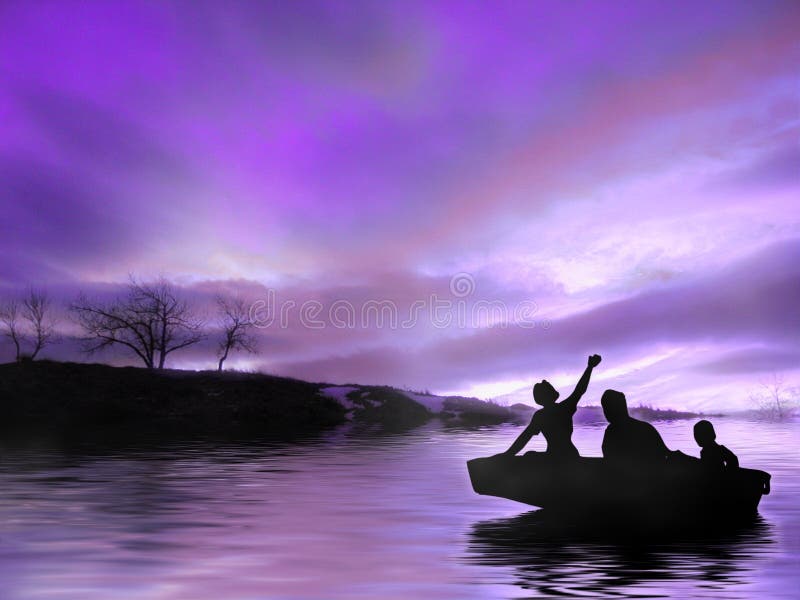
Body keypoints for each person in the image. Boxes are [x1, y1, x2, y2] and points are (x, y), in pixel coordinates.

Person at [504, 354, 602, 459]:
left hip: (557, 456)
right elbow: (579, 390)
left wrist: (508, 454)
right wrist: (590, 367)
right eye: (549, 387)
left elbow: (524, 437)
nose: (551, 386)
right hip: (567, 455)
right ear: (547, 395)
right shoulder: (563, 408)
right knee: (530, 455)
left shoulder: (541, 415)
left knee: (530, 455)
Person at [601, 389, 672, 468]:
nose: (605, 412)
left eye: (607, 408)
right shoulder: (646, 428)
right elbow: (666, 453)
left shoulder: (611, 432)